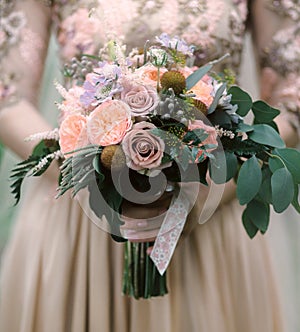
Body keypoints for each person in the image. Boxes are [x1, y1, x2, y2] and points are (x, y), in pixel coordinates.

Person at [0, 0, 299, 331]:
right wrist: (92, 175)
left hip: (207, 217)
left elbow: (292, 99)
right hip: (80, 220)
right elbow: (8, 96)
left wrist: (210, 189)